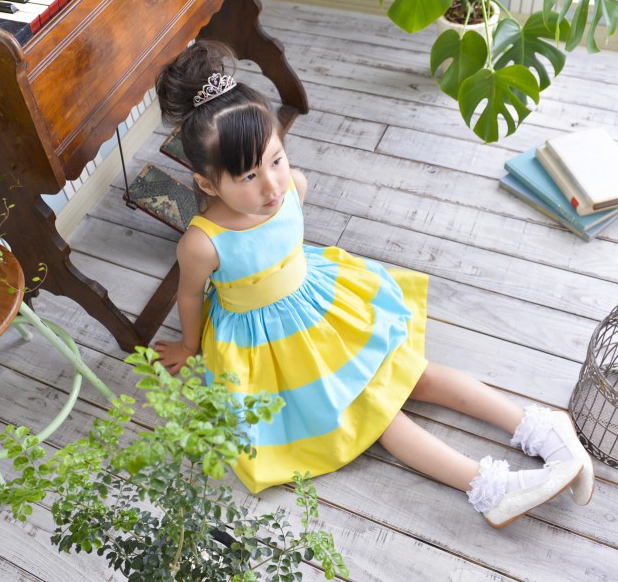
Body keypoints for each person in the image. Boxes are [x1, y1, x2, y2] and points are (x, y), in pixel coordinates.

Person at [152, 41, 594, 528]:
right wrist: (191, 346)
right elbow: (191, 294)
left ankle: (536, 425)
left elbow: (283, 234)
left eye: (275, 160)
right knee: (379, 414)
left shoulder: (294, 187)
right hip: (268, 346)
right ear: (208, 184)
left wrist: (275, 182)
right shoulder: (203, 243)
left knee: (416, 374)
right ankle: (489, 487)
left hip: (323, 308)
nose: (272, 187)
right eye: (249, 175)